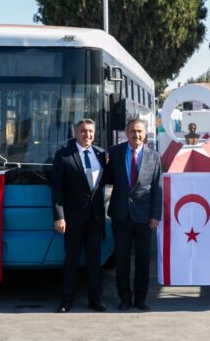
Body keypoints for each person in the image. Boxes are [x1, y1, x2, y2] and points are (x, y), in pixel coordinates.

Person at [105, 119, 162, 311]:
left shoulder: (154, 157)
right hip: (120, 216)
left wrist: (156, 216)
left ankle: (141, 299)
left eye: (139, 131)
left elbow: (157, 188)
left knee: (143, 260)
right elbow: (107, 178)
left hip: (145, 218)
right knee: (122, 260)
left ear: (145, 134)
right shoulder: (114, 153)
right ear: (126, 132)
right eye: (132, 131)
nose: (135, 135)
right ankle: (125, 299)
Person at [51, 118, 107, 313]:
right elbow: (57, 189)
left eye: (91, 131)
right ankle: (66, 300)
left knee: (94, 262)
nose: (87, 135)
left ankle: (96, 299)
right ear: (76, 133)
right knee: (71, 261)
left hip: (95, 219)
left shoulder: (101, 154)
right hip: (72, 219)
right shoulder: (64, 156)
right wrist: (59, 216)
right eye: (83, 131)